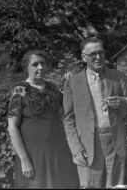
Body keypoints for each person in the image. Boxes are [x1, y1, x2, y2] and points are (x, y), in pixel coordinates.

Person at [63, 37, 127, 188]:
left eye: (101, 52)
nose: (98, 57)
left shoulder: (118, 77)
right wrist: (76, 149)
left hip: (115, 141)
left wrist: (122, 102)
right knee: (90, 185)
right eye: (93, 54)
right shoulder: (72, 82)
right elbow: (68, 119)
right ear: (83, 57)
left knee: (115, 185)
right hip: (88, 144)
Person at [7, 49, 79, 188]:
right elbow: (12, 127)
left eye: (43, 63)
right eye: (35, 64)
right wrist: (24, 160)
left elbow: (68, 111)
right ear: (26, 67)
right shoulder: (20, 90)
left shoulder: (52, 87)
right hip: (33, 155)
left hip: (57, 152)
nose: (40, 67)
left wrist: (70, 84)